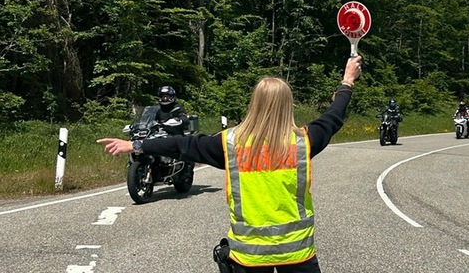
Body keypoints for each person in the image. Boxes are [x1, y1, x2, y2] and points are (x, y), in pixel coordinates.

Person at [98, 56, 363, 273]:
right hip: (298, 255)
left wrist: (136, 145)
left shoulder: (230, 144)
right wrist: (346, 82)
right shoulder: (304, 141)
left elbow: (181, 145)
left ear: (254, 104)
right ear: (288, 106)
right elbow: (333, 117)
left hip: (248, 257)